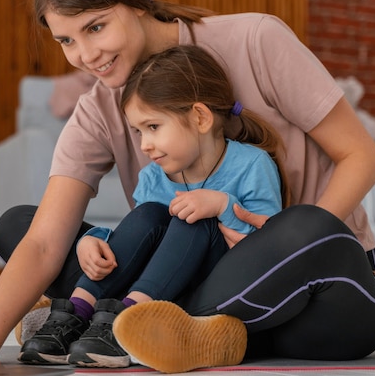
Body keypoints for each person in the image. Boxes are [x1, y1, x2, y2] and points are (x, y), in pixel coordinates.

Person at [0, 0, 375, 372]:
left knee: (303, 227)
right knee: (19, 226)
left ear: (137, 3)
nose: (86, 55)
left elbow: (361, 156)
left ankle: (102, 319)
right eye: (66, 41)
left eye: (96, 26)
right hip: (185, 275)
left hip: (315, 296)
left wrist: (282, 245)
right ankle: (168, 328)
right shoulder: (98, 108)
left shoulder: (256, 40)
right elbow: (46, 241)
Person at [18, 45, 288, 368]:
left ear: (200, 118)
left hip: (220, 287)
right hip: (166, 286)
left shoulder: (252, 165)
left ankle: (131, 323)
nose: (144, 145)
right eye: (138, 131)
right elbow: (141, 240)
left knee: (193, 218)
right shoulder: (152, 177)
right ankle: (78, 312)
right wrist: (95, 242)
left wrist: (221, 205)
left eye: (153, 127)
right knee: (148, 213)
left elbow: (272, 250)